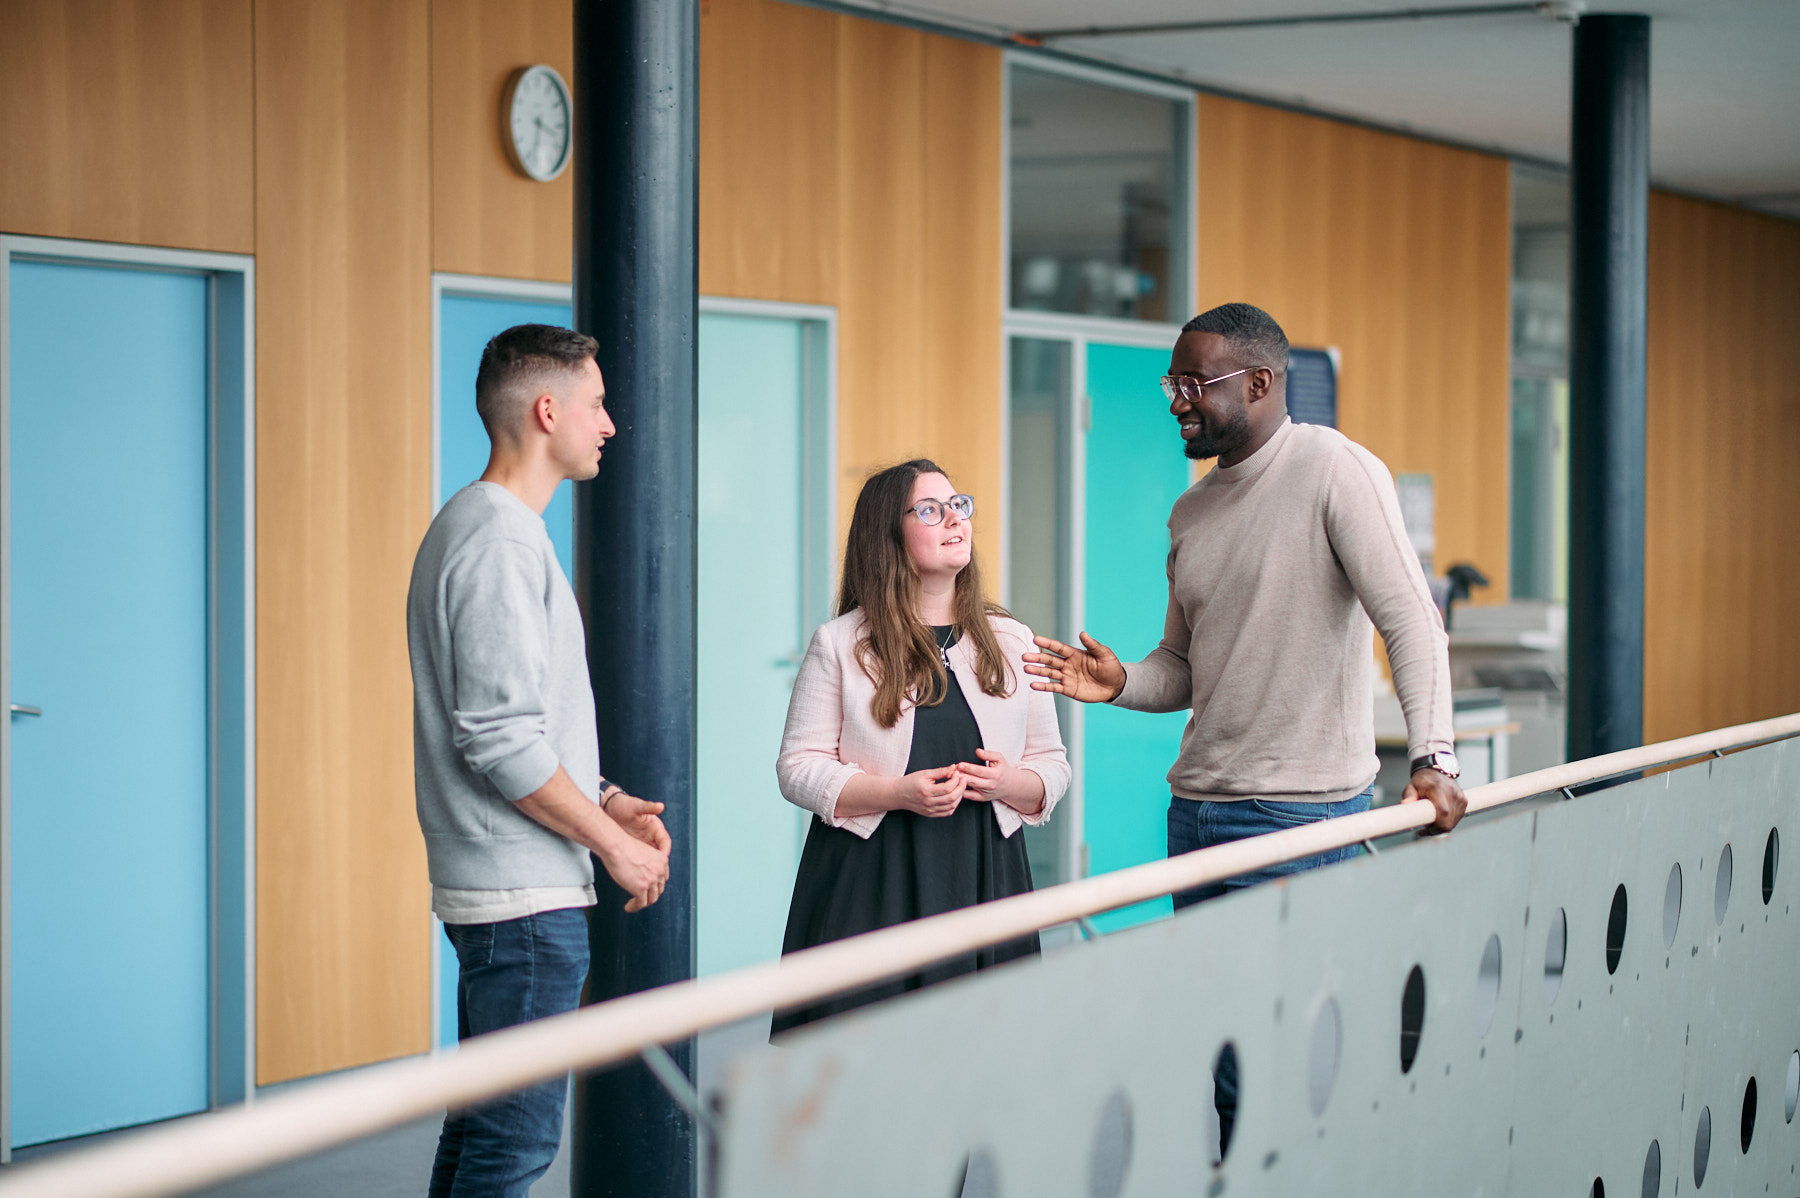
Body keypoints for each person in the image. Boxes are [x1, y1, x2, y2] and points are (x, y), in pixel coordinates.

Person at [1023, 302, 1467, 1151]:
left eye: (1196, 382)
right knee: (1218, 1049)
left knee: (1270, 1053)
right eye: (1172, 382)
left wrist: (1433, 756)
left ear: (1260, 382)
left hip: (1297, 815)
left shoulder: (1336, 470)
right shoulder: (1192, 514)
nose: (1176, 400)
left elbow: (1411, 621)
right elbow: (1184, 670)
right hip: (1197, 813)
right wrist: (1119, 683)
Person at [407, 323, 672, 1197]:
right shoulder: (499, 540)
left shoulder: (494, 530)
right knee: (512, 1150)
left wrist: (604, 797)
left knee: (484, 1134)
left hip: (512, 891)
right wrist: (613, 843)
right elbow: (497, 738)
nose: (610, 424)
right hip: (523, 903)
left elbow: (514, 724)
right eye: (597, 405)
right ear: (547, 409)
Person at [771, 459, 1072, 1034]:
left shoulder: (1012, 640)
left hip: (984, 877)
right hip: (871, 881)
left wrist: (1009, 784)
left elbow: (1051, 765)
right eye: (930, 510)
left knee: (974, 1061)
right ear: (888, 534)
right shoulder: (839, 643)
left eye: (960, 505)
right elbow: (796, 768)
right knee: (866, 1064)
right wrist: (895, 793)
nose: (954, 520)